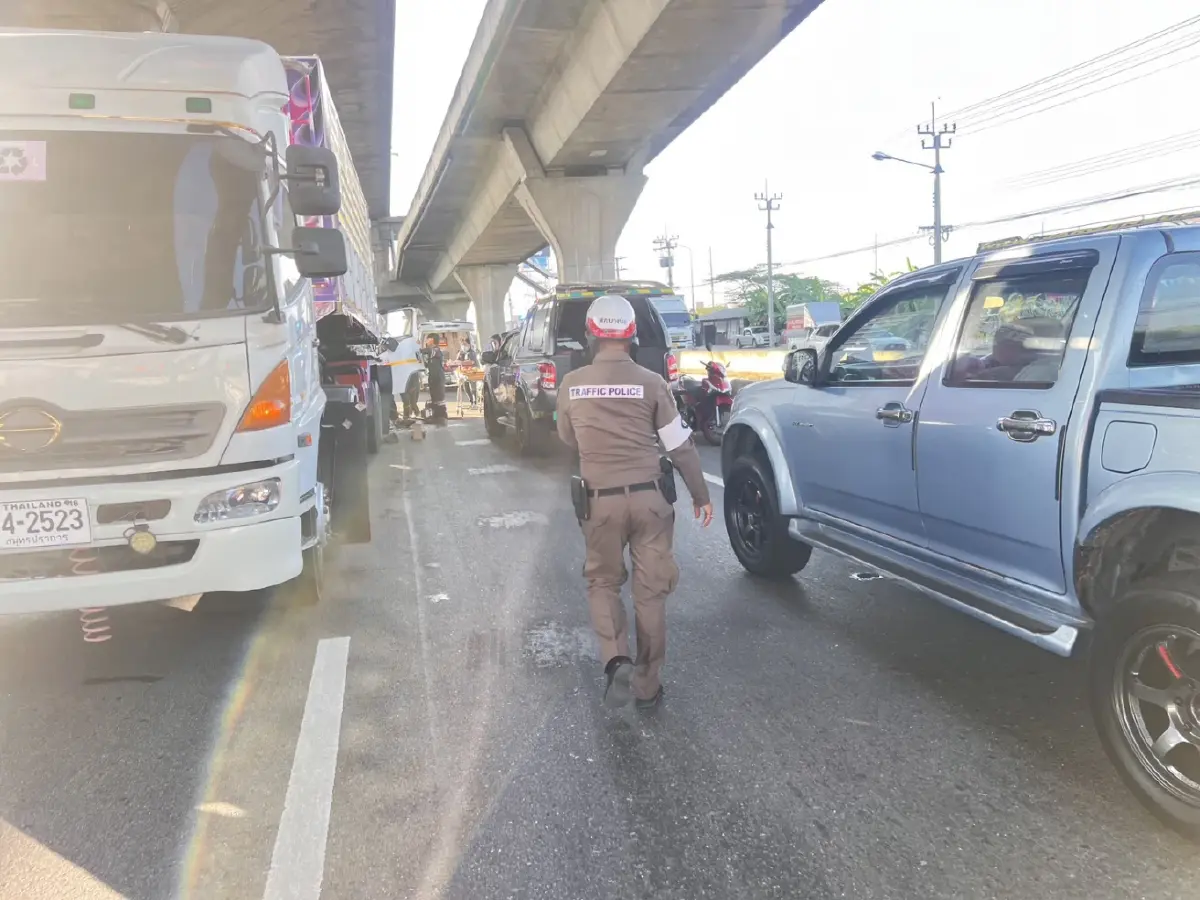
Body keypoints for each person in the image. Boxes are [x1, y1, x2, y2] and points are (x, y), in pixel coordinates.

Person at [556, 294, 713, 711]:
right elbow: (680, 447)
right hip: (650, 502)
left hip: (600, 501)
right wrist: (700, 495)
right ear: (632, 335)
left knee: (603, 582)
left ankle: (616, 659)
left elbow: (567, 438)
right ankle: (647, 686)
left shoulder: (571, 385)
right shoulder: (651, 382)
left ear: (591, 335)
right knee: (651, 593)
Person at [423, 333, 448, 422]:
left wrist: (419, 350)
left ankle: (441, 416)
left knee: (439, 398)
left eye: (427, 339)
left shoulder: (436, 350)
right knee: (434, 398)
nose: (426, 341)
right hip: (433, 377)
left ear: (432, 340)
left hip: (438, 378)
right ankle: (436, 416)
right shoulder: (432, 351)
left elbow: (428, 351)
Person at [457, 337, 479, 406]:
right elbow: (457, 360)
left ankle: (475, 401)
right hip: (464, 373)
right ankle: (471, 401)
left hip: (473, 372)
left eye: (465, 344)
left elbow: (472, 362)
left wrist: (462, 363)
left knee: (473, 388)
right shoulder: (463, 353)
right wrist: (459, 354)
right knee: (466, 387)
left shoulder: (472, 353)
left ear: (469, 345)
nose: (464, 346)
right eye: (462, 345)